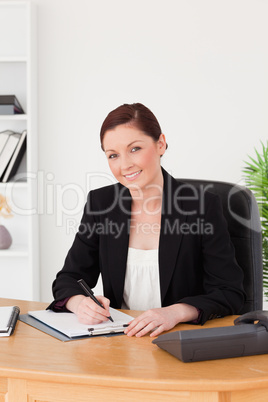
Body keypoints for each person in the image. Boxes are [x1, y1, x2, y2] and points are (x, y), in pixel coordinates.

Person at [48, 102, 245, 337]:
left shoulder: (202, 206)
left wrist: (176, 312)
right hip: (120, 342)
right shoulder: (101, 204)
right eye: (113, 155)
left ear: (160, 144)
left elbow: (229, 292)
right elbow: (69, 278)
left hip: (181, 340)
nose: (124, 165)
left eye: (135, 149)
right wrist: (79, 304)